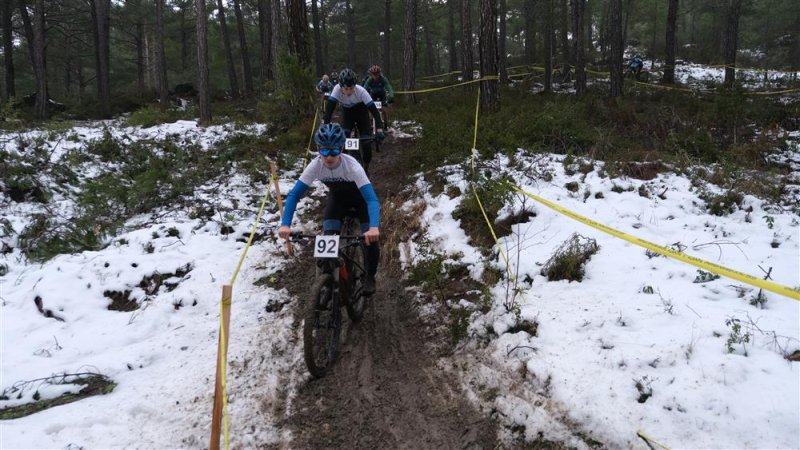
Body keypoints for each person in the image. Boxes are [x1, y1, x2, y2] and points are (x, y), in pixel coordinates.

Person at [278, 123, 381, 295]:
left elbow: (371, 199)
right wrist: (285, 224)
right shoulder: (315, 166)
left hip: (361, 201)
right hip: (337, 201)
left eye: (334, 151)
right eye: (324, 151)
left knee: (370, 241)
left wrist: (373, 227)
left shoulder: (352, 166)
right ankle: (329, 279)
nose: (329, 157)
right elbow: (294, 195)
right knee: (328, 240)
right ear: (318, 149)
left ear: (342, 148)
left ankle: (370, 275)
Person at [322, 68, 385, 172]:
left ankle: (366, 167)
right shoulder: (336, 89)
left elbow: (375, 112)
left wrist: (379, 129)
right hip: (347, 114)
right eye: (345, 89)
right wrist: (325, 129)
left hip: (361, 112)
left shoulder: (361, 91)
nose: (348, 91)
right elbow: (329, 112)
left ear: (355, 86)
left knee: (366, 144)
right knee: (342, 141)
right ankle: (344, 168)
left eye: (351, 88)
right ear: (340, 86)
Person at [362, 65, 394, 129]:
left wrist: (391, 95)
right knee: (370, 109)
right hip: (373, 95)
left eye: (376, 74)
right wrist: (362, 96)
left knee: (383, 109)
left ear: (379, 73)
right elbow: (364, 88)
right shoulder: (369, 80)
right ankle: (371, 123)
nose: (375, 76)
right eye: (373, 74)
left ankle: (385, 124)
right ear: (371, 74)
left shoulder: (383, 79)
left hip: (382, 95)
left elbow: (389, 87)